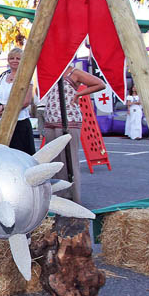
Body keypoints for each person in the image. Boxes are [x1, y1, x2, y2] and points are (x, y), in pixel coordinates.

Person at [42, 65, 105, 204]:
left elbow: (100, 84)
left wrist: (79, 94)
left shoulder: (73, 72)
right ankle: (57, 195)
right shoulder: (50, 72)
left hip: (68, 120)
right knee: (54, 161)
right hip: (51, 119)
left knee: (69, 160)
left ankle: (72, 197)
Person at [0, 47, 36, 155]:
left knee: (20, 155)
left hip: (19, 123)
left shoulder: (26, 77)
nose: (14, 61)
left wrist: (3, 109)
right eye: (12, 58)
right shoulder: (2, 77)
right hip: (1, 122)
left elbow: (26, 102)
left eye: (18, 58)